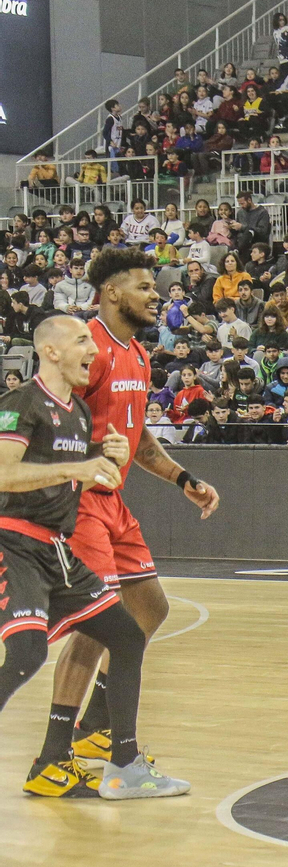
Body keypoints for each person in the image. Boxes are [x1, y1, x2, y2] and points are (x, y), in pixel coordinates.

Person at [40, 249, 221, 793]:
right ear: (113, 293)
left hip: (114, 502)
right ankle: (55, 756)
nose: (156, 295)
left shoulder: (139, 356)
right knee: (98, 630)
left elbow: (138, 437)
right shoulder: (84, 350)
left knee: (150, 607)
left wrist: (183, 478)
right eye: (145, 287)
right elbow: (43, 425)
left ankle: (96, 723)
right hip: (77, 501)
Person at [0, 315, 189, 800]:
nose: (93, 349)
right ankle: (58, 761)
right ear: (51, 352)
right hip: (14, 543)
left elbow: (68, 474)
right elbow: (3, 474)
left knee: (126, 634)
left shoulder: (80, 413)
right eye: (82, 340)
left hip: (56, 549)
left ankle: (123, 764)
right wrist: (81, 466)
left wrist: (104, 460)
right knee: (27, 653)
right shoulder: (20, 402)